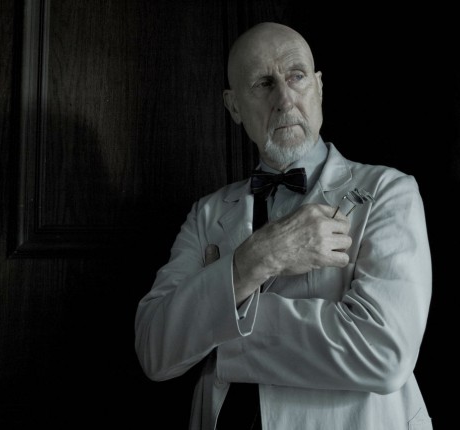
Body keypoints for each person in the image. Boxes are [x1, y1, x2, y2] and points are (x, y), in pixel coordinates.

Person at [134, 22, 432, 430]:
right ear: (234, 106)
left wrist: (216, 326)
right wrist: (258, 258)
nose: (285, 98)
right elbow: (155, 349)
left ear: (319, 88)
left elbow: (383, 353)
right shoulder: (206, 213)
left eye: (297, 76)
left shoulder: (388, 192)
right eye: (263, 83)